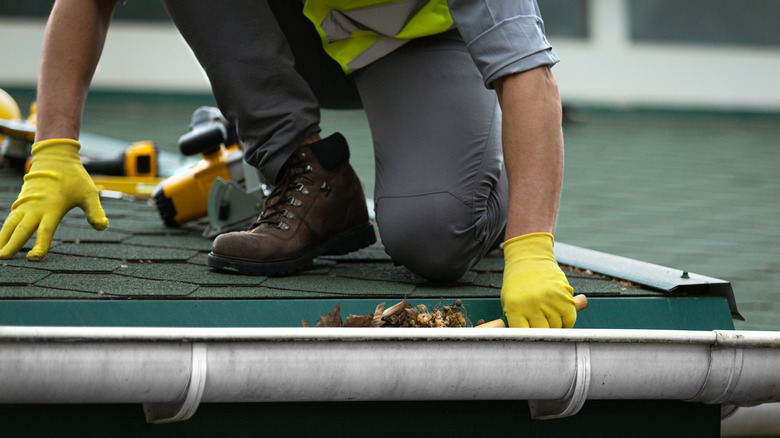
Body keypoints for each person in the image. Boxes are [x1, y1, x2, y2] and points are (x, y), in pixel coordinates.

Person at [0, 0, 576, 328]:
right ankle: (304, 171)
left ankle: (488, 195)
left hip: (419, 46)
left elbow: (530, 76)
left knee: (434, 240)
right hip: (299, 27)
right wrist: (54, 148)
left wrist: (530, 246)